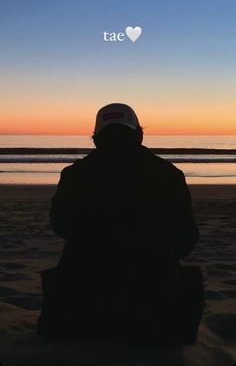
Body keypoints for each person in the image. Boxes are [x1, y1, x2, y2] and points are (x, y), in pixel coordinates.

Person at [37, 103, 203, 345]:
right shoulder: (168, 174)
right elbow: (187, 237)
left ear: (95, 138)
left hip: (86, 302)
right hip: (154, 305)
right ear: (139, 134)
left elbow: (61, 225)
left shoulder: (75, 174)